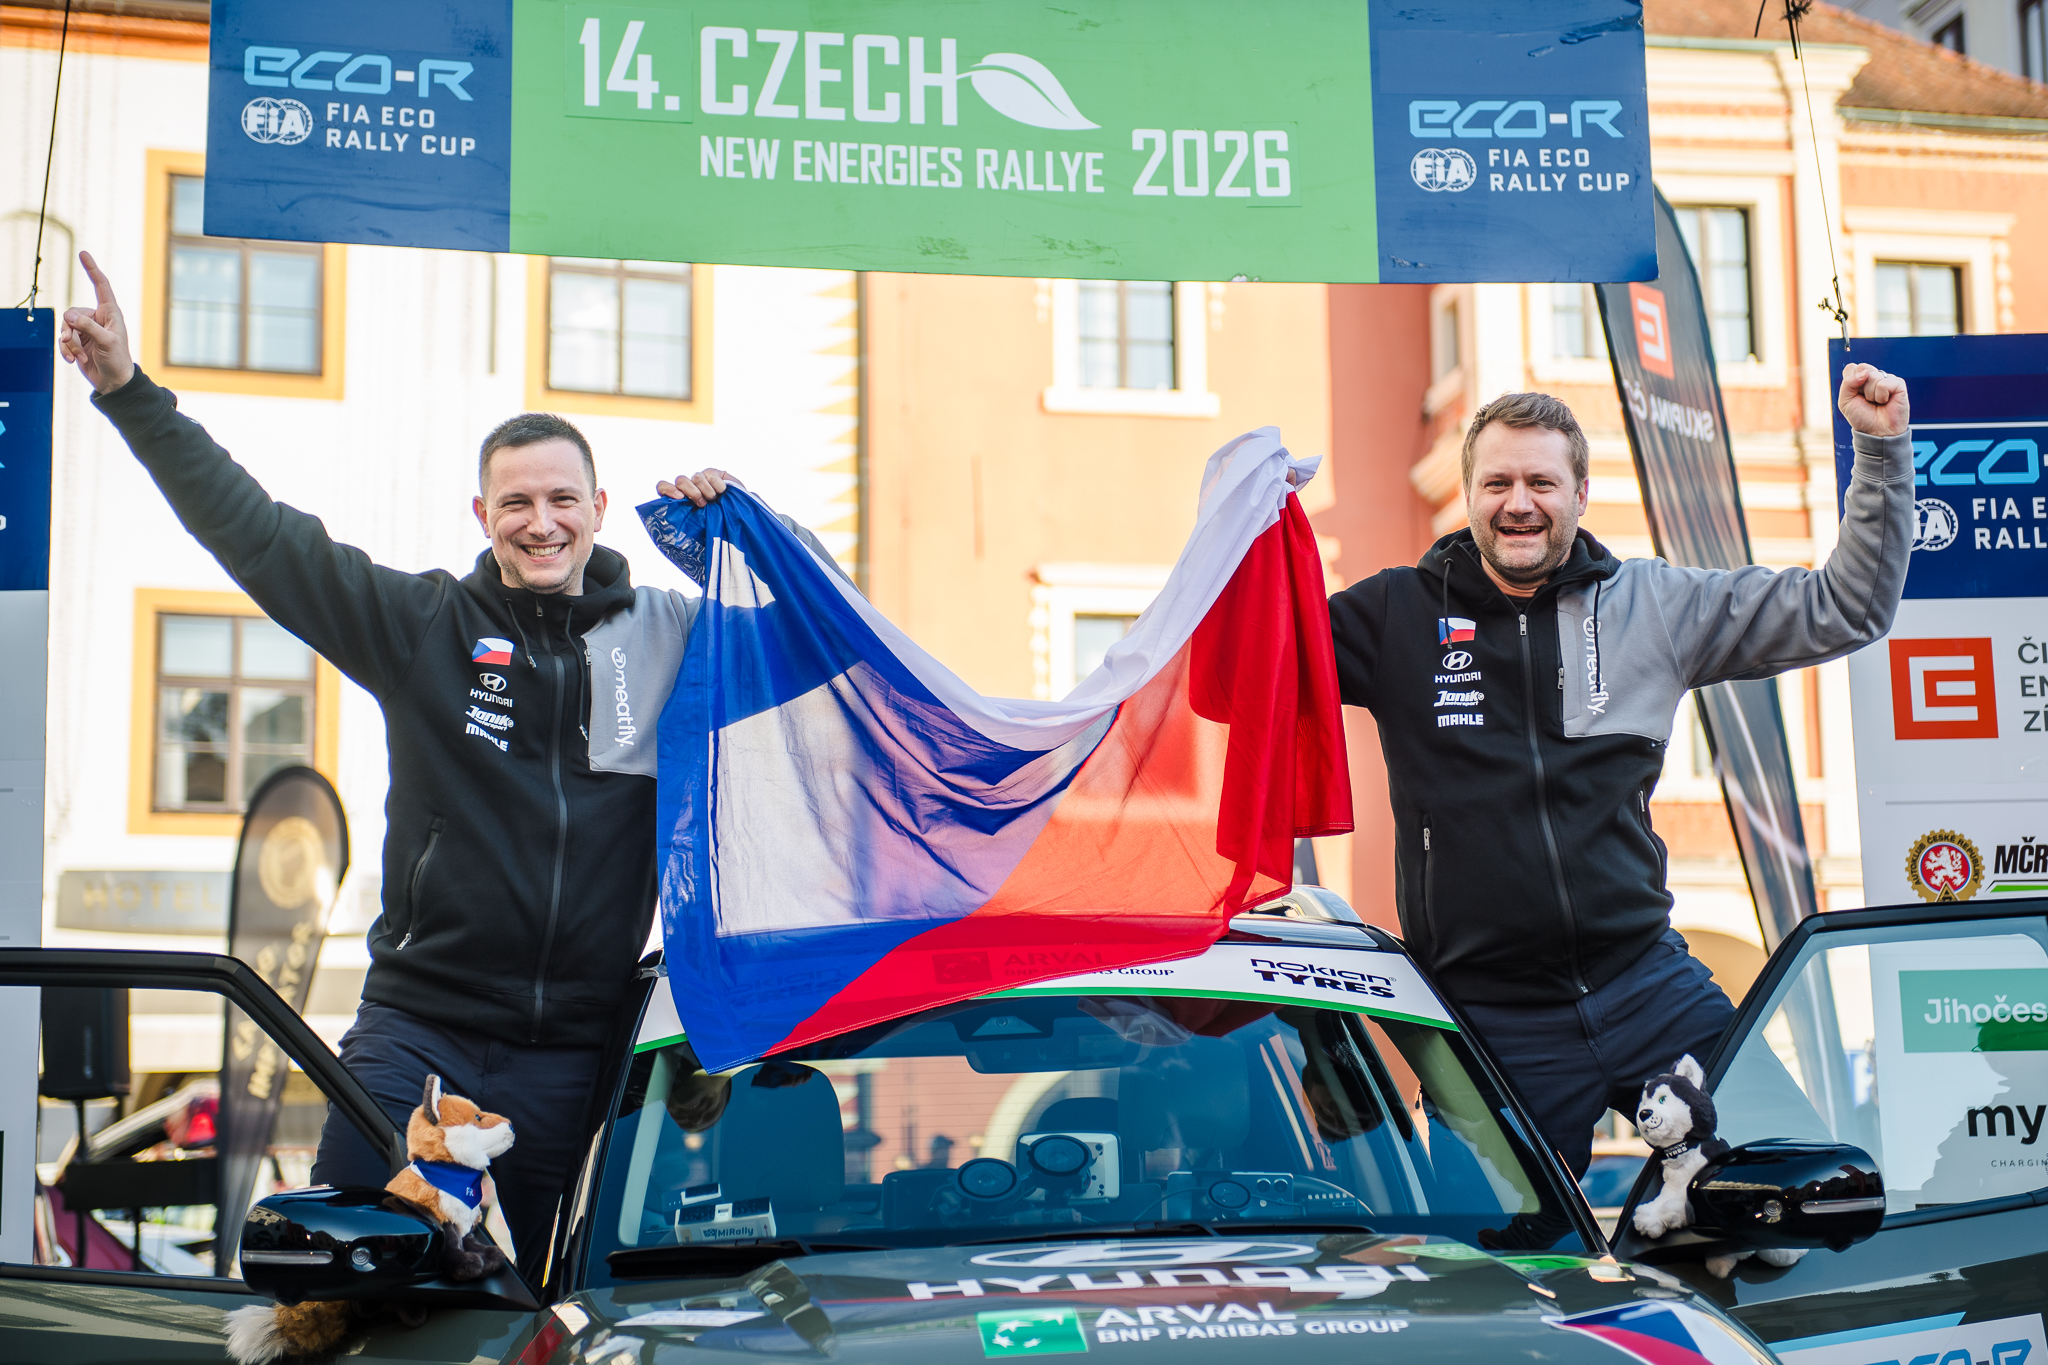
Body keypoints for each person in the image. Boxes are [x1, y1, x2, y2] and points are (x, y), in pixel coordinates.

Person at [58, 252, 839, 1278]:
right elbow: (262, 539)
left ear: (599, 507)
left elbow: (821, 636)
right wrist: (129, 392)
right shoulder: (425, 625)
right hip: (417, 1034)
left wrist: (748, 532)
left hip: (575, 1056)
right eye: (515, 502)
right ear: (482, 515)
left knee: (542, 1303)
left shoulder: (675, 636)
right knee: (343, 1277)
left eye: (561, 499)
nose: (540, 522)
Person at [1327, 366, 1913, 1182]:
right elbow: (1250, 663)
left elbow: (1845, 608)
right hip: (1493, 1022)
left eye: (1542, 482)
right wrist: (1249, 527)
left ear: (1580, 493)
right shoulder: (1395, 614)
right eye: (1498, 482)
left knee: (1801, 1188)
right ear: (1469, 494)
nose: (1519, 502)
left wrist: (1879, 454)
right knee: (1495, 1258)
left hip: (1648, 987)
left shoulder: (1652, 604)